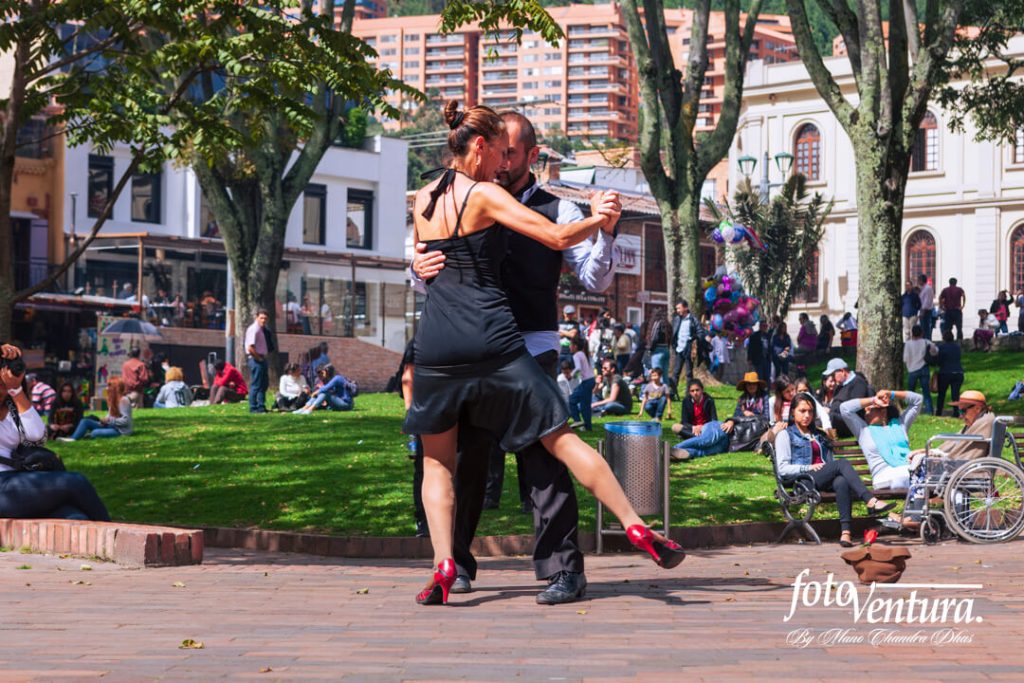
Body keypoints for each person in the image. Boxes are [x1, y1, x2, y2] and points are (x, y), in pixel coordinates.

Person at [405, 101, 683, 606]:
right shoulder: (486, 194)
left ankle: (468, 563)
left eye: (513, 155)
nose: (503, 165)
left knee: (464, 465)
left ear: (530, 155)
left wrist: (605, 231)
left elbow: (594, 276)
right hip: (492, 344)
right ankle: (633, 524)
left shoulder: (425, 195)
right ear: (482, 147)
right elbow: (428, 262)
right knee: (546, 443)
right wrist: (597, 218)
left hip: (468, 345)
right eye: (498, 154)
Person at [0, 345, 111, 521]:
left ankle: (103, 543)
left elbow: (36, 435)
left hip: (18, 479)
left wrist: (16, 391)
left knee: (75, 516)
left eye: (4, 385)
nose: (2, 390)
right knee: (76, 481)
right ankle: (113, 537)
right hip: (4, 487)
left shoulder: (13, 406)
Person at [775, 393, 895, 547]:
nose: (807, 415)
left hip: (822, 478)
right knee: (842, 463)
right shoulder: (785, 435)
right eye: (802, 411)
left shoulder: (819, 435)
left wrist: (826, 468)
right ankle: (870, 500)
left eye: (810, 411)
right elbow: (783, 469)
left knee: (841, 481)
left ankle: (846, 533)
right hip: (804, 482)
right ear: (792, 412)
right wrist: (808, 467)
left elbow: (829, 464)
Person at [840, 389, 924, 491]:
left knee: (927, 470)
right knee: (914, 475)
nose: (865, 414)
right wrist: (873, 400)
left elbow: (918, 400)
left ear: (883, 411)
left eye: (869, 410)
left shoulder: (900, 425)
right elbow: (844, 408)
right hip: (883, 475)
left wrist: (890, 393)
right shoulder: (863, 430)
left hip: (907, 469)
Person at [60, 378, 133, 441]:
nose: (107, 388)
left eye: (109, 386)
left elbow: (126, 421)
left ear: (115, 388)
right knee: (85, 421)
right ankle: (73, 438)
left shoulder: (124, 400)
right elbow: (111, 416)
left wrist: (110, 420)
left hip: (120, 431)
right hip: (111, 425)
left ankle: (85, 435)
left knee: (95, 433)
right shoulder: (113, 400)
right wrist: (105, 420)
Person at [822, 358, 874, 438]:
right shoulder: (841, 385)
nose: (832, 378)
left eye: (833, 374)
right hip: (838, 418)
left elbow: (854, 409)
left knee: (828, 418)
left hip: (851, 422)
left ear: (842, 371)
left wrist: (830, 412)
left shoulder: (858, 383)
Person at [244, 309, 273, 414]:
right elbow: (250, 348)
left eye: (265, 318)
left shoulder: (263, 330)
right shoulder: (254, 329)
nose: (263, 320)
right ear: (256, 317)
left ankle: (261, 406)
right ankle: (253, 407)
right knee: (256, 385)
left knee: (263, 384)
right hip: (256, 359)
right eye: (261, 318)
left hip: (262, 358)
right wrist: (258, 358)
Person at [929, 329, 964, 417]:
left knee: (942, 394)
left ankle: (939, 412)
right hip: (958, 372)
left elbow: (938, 360)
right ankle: (956, 412)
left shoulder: (941, 347)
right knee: (955, 394)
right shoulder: (957, 347)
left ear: (944, 338)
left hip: (945, 372)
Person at [903, 324, 935, 415]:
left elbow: (905, 358)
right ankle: (929, 411)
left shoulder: (908, 344)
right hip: (924, 368)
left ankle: (910, 410)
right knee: (926, 392)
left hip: (912, 369)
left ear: (912, 333)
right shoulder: (926, 342)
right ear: (922, 333)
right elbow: (935, 351)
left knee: (911, 392)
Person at [671, 300, 702, 390]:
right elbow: (674, 333)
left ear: (686, 308)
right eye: (676, 308)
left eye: (679, 308)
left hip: (689, 349)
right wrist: (674, 345)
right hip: (679, 349)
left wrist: (693, 339)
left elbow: (700, 332)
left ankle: (689, 392)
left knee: (689, 373)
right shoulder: (677, 319)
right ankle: (672, 392)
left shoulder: (693, 319)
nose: (677, 310)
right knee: (676, 372)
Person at [567, 337, 595, 430]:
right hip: (590, 380)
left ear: (575, 346)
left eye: (570, 345)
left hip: (587, 382)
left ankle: (577, 421)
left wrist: (571, 375)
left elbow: (578, 368)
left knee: (572, 400)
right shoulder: (582, 353)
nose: (569, 347)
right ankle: (588, 427)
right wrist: (575, 376)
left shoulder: (576, 355)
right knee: (585, 405)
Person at [647, 308, 672, 381]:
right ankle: (666, 391)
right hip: (666, 349)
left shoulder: (657, 323)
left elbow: (654, 337)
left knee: (657, 375)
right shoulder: (668, 325)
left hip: (657, 350)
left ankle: (659, 392)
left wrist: (650, 349)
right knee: (665, 376)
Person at [938, 277, 965, 341]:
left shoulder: (945, 290)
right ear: (956, 283)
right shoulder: (959, 289)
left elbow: (940, 297)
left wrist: (941, 306)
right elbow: (964, 296)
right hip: (957, 310)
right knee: (959, 327)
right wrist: (962, 306)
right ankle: (959, 340)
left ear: (949, 283)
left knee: (948, 327)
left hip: (948, 310)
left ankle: (948, 339)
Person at [747, 320, 771, 386]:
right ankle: (760, 390)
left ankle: (767, 391)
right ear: (760, 326)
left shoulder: (768, 336)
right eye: (763, 326)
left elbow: (770, 347)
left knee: (767, 376)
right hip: (758, 359)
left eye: (766, 326)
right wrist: (749, 358)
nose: (765, 327)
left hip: (766, 359)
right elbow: (750, 348)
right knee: (760, 376)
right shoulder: (754, 336)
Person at [917, 273, 935, 341]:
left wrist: (922, 311)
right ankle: (925, 340)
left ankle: (927, 342)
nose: (918, 282)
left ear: (921, 281)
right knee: (923, 327)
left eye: (919, 280)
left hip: (926, 311)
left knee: (926, 328)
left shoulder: (927, 288)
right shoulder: (923, 288)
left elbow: (926, 301)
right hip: (924, 310)